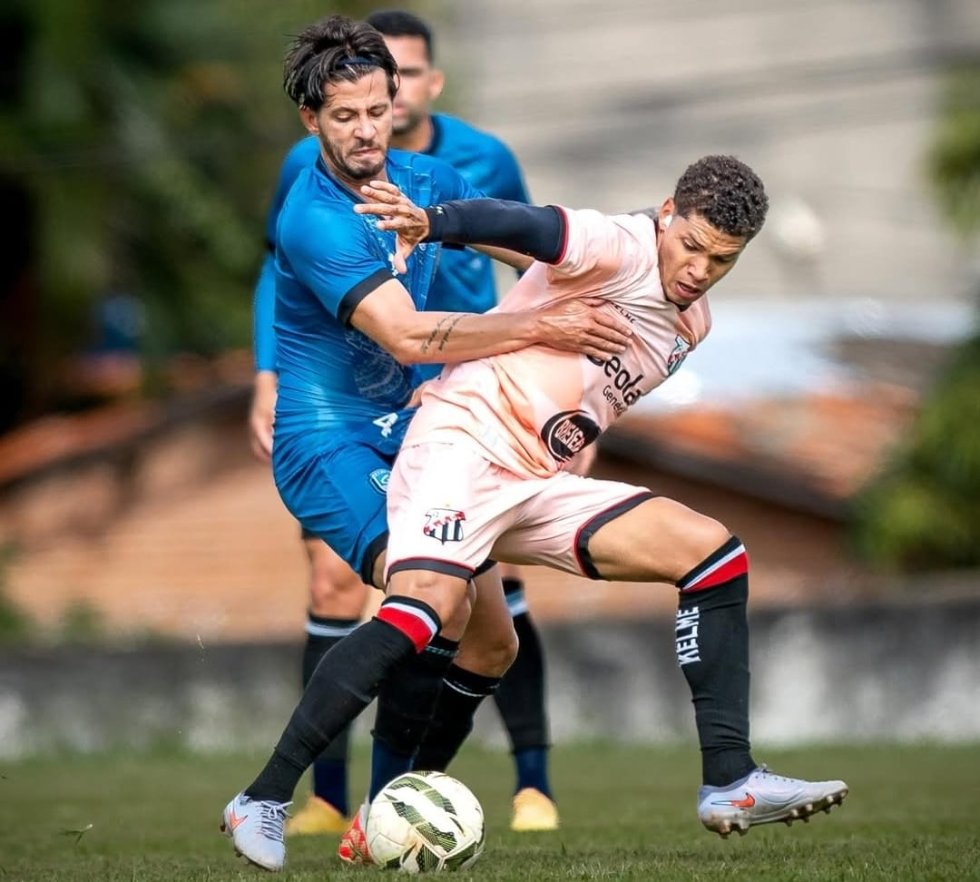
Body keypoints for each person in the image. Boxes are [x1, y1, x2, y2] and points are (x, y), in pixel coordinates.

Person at [225, 154, 849, 871]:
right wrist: (434, 223)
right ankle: (264, 797)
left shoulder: (693, 322)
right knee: (426, 608)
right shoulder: (618, 244)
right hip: (462, 447)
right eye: (693, 246)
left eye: (723, 260)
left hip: (527, 478)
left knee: (707, 555)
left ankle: (729, 779)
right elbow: (527, 226)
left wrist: (578, 434)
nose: (701, 269)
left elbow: (583, 394)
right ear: (668, 214)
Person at [224, 14, 632, 872]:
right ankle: (263, 797)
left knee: (492, 642)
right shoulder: (313, 215)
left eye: (378, 108)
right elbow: (409, 338)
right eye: (345, 116)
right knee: (430, 601)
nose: (368, 129)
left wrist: (624, 262)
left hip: (415, 433)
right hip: (328, 442)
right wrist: (542, 329)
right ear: (311, 121)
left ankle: (384, 816)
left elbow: (529, 248)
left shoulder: (424, 178)